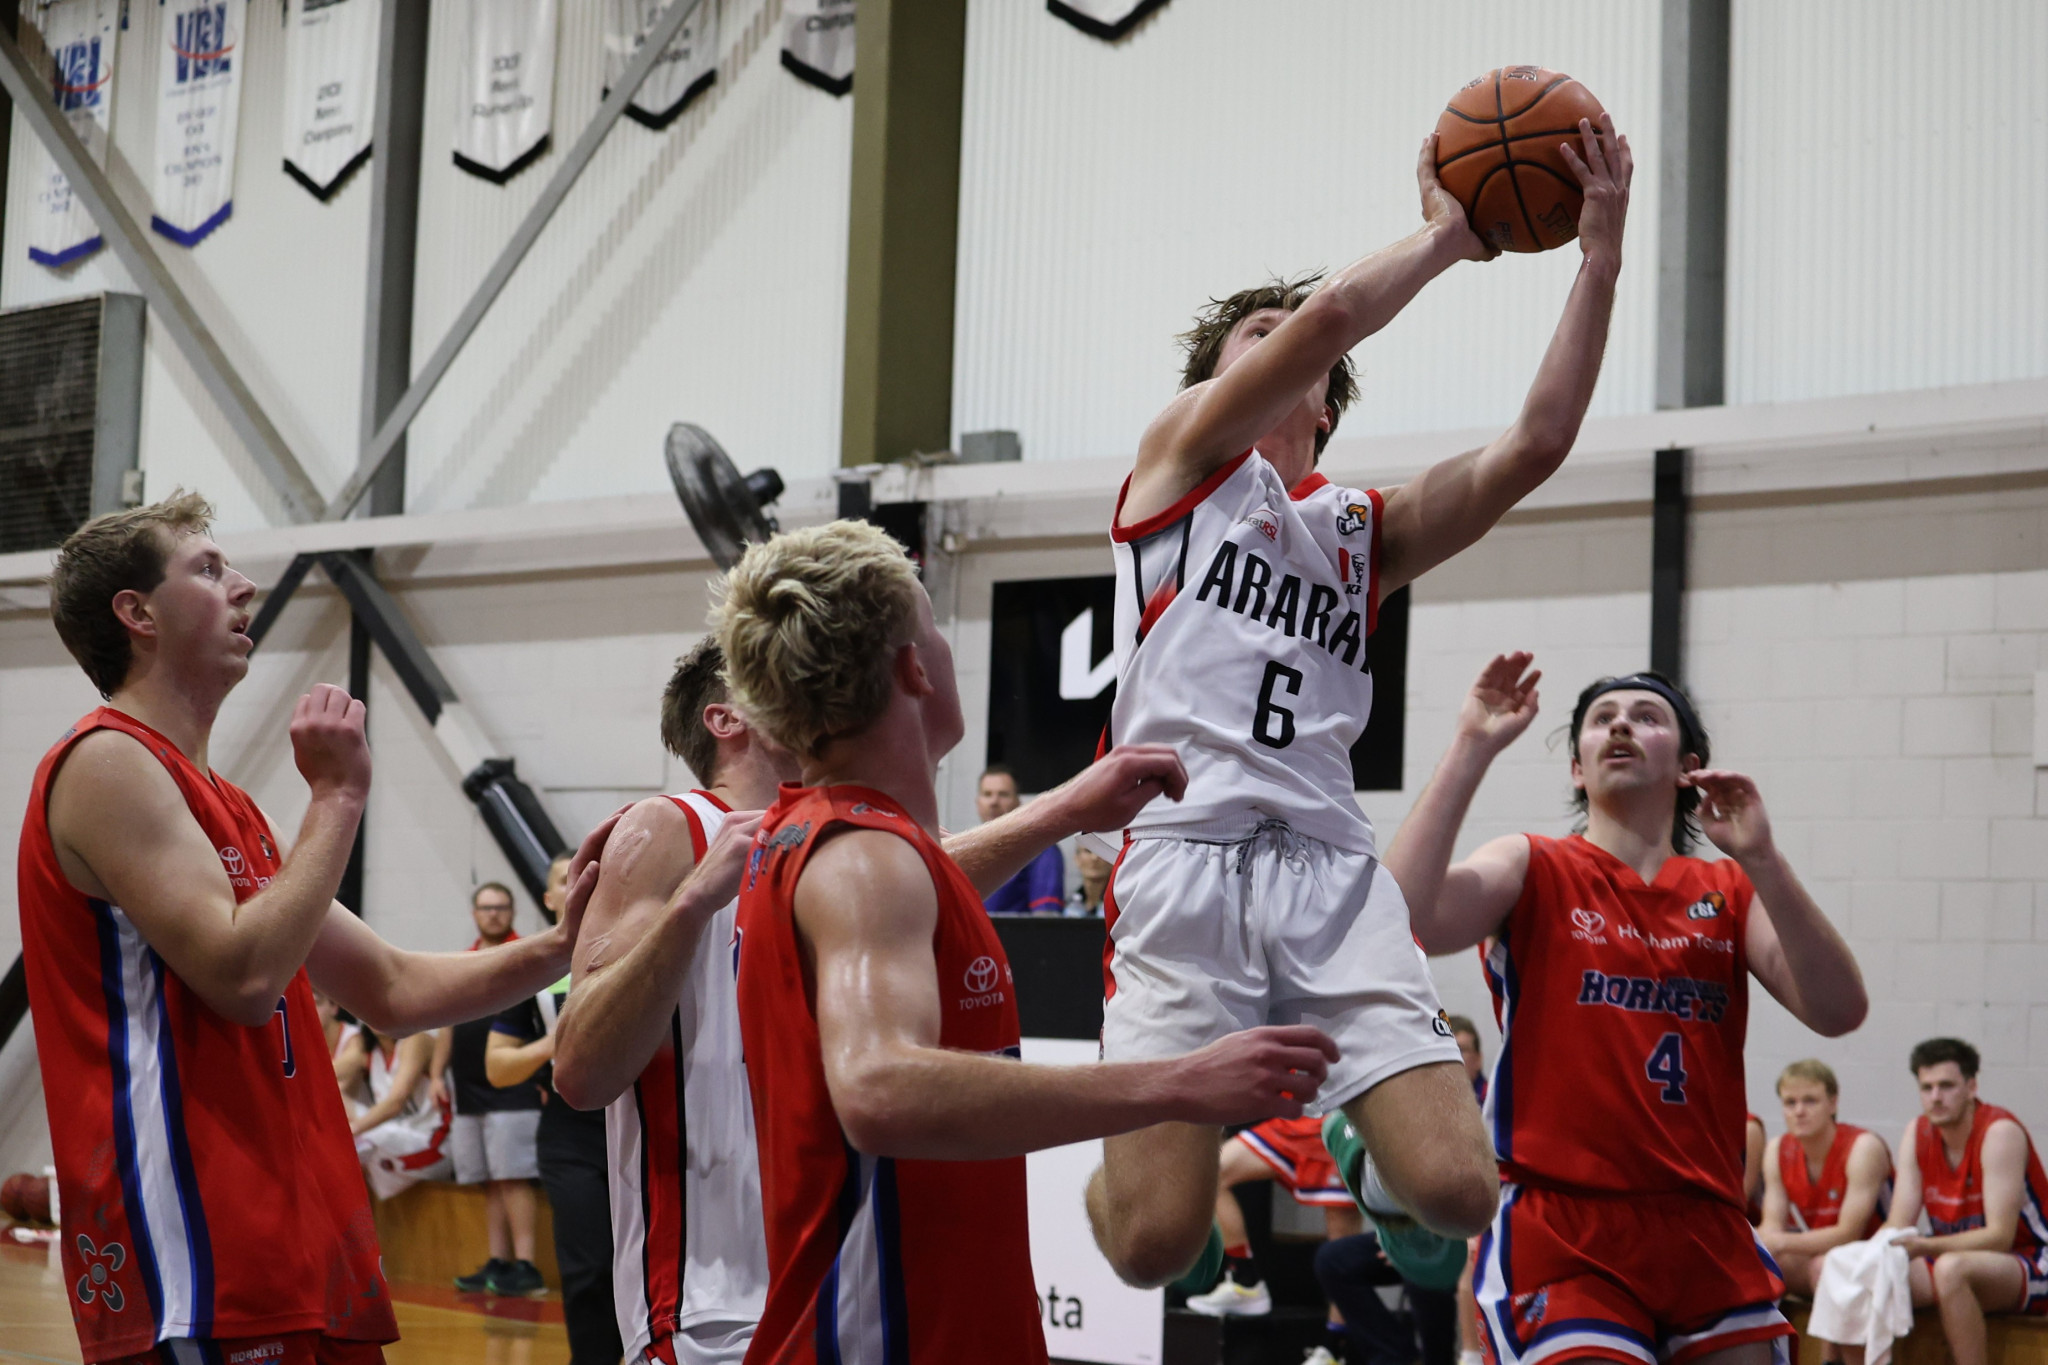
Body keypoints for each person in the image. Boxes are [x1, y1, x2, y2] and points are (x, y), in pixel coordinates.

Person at [1087, 116, 1635, 1286]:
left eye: (1295, 342)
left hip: (1330, 870)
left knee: (1457, 1192)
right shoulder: (1175, 465)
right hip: (1185, 855)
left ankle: (1359, 1141)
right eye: (1253, 334)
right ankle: (1121, 1166)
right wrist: (1450, 237)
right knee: (1149, 1249)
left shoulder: (1357, 532)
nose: (1282, 342)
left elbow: (1533, 447)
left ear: (1326, 407)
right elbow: (1333, 314)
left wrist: (1598, 257)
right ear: (1217, 380)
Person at [713, 520, 1341, 1363]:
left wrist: (1062, 808)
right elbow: (879, 1090)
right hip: (886, 1339)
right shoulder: (862, 861)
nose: (941, 643)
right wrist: (1179, 1081)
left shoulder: (840, 842)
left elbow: (923, 883)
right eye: (933, 625)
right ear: (914, 667)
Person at [18, 492, 608, 1364]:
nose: (246, 586)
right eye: (210, 569)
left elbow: (396, 991)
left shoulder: (235, 809)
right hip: (197, 1254)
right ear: (137, 613)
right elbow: (242, 979)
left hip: (300, 1244)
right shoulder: (105, 761)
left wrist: (563, 945)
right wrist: (337, 797)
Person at [550, 634, 1185, 1364]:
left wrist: (1061, 809)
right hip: (712, 1316)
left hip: (843, 1296)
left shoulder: (838, 831)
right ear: (726, 718)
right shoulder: (671, 825)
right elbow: (578, 1068)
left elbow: (905, 874)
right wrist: (694, 902)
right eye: (770, 670)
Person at [1384, 652, 1868, 1365]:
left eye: (1646, 717)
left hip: (1707, 1224)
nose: (1620, 725)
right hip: (1566, 1224)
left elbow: (1838, 1009)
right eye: (1601, 719)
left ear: (1689, 767)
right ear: (1577, 768)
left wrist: (1764, 858)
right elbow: (1403, 916)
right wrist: (1470, 746)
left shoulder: (1727, 889)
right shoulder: (1533, 862)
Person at [1817, 1039, 2048, 1365]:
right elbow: (1897, 1221)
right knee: (1848, 1264)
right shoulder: (1918, 1132)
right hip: (1957, 1255)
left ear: (1971, 1087)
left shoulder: (1999, 1133)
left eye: (1946, 1086)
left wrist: (1924, 1248)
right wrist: (1866, 1258)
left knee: (1951, 1271)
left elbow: (1999, 1238)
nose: (1935, 1097)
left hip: (2031, 1258)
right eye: (1926, 1087)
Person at [488, 852, 621, 1365]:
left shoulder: (641, 946)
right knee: (589, 1266)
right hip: (571, 1133)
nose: (580, 883)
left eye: (592, 872)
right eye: (566, 879)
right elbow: (498, 1068)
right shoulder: (533, 969)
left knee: (647, 1261)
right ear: (549, 899)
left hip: (642, 1126)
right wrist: (558, 1040)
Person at [437, 883, 548, 1299]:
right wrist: (434, 1075)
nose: (494, 914)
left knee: (513, 1175)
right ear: (474, 914)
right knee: (487, 1179)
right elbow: (448, 1021)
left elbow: (545, 1021)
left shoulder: (530, 956)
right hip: (467, 1087)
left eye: (501, 907)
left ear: (513, 911)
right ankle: (499, 1261)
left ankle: (527, 1265)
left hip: (513, 1086)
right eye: (486, 908)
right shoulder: (463, 961)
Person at [1186, 1118, 1361, 1317]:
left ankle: (1337, 1344)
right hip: (1294, 1122)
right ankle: (1245, 1281)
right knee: (1211, 1173)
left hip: (1339, 1125)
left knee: (1342, 1252)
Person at [1757, 1059, 1891, 1295]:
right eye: (1790, 1102)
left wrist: (1779, 1242)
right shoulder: (1777, 1150)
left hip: (1877, 1253)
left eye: (1810, 1101)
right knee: (1758, 1265)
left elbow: (1849, 1234)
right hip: (1824, 1255)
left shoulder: (1862, 1148)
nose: (1799, 1111)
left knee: (1824, 1266)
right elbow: (1771, 1227)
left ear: (1833, 1103)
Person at [338, 1028, 452, 1200]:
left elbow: (396, 1103)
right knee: (335, 1098)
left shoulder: (416, 1039)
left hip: (435, 1141)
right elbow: (325, 1074)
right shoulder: (370, 1052)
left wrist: (350, 1131)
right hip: (399, 1139)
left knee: (354, 1146)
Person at [977, 765, 1066, 914]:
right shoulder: (972, 851)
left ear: (1018, 802)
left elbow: (1047, 920)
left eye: (1003, 794)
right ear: (978, 802)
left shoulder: (1039, 848)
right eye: (987, 794)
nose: (993, 802)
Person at [1066, 843, 1113, 915]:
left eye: (1102, 851)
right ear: (1076, 859)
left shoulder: (1123, 904)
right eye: (1088, 851)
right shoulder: (1068, 906)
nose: (1094, 857)